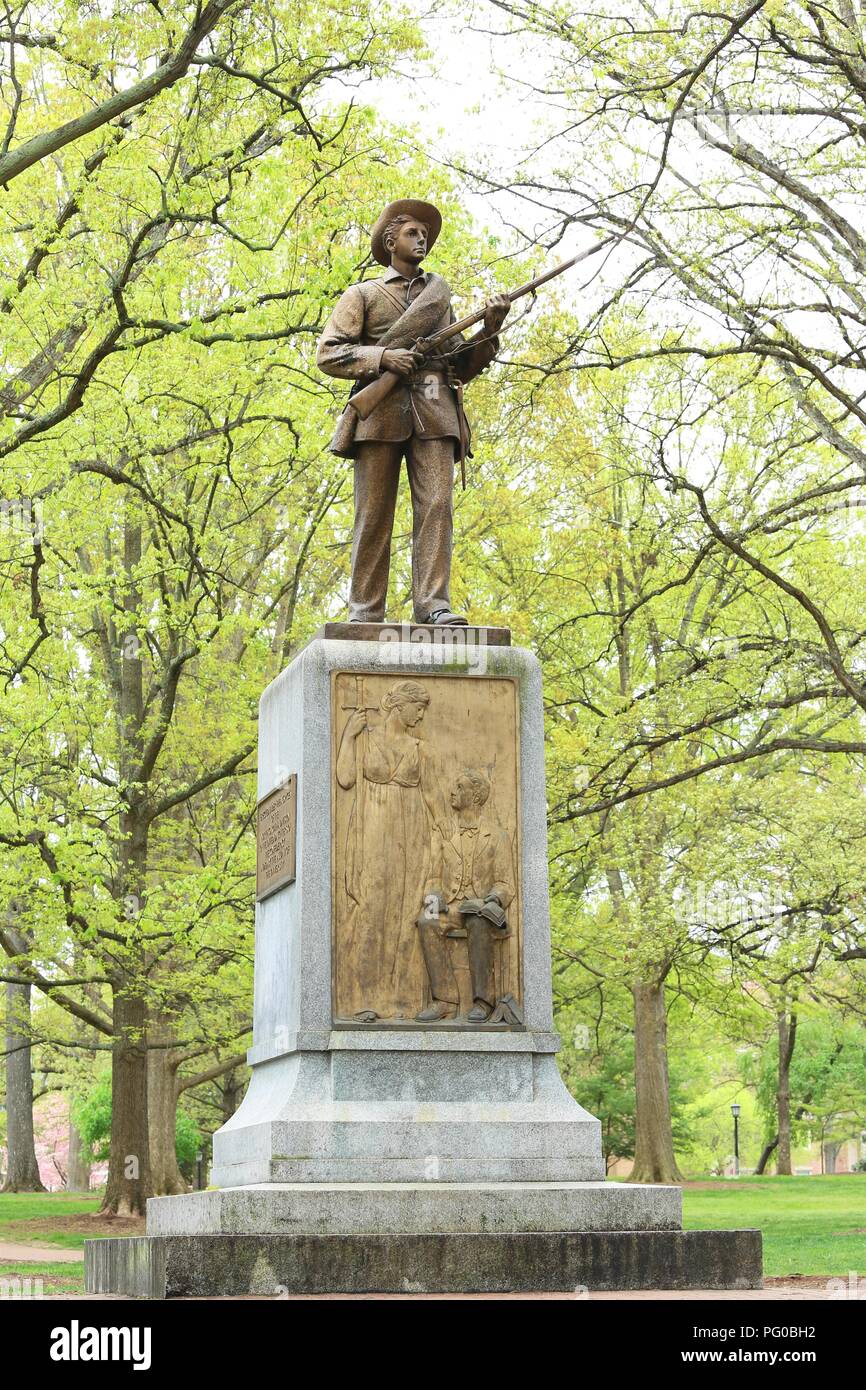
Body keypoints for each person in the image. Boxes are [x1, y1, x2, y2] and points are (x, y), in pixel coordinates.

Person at [316, 198, 510, 626]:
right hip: (381, 411)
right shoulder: (362, 294)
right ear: (391, 241)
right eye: (412, 233)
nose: (421, 238)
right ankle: (365, 612)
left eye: (425, 234)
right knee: (373, 514)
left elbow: (461, 362)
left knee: (438, 507)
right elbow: (329, 354)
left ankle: (434, 606)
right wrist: (383, 358)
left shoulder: (439, 299)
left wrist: (490, 329)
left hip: (436, 409)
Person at [335, 679, 447, 1020]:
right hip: (372, 829)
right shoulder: (366, 739)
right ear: (399, 706)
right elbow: (344, 779)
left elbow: (434, 800)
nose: (423, 714)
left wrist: (446, 839)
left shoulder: (421, 750)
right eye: (418, 707)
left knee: (404, 913)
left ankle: (404, 1000)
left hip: (413, 835)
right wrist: (348, 737)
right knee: (372, 910)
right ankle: (365, 997)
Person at [415, 767, 515, 1022]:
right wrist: (433, 897)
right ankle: (445, 1000)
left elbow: (505, 883)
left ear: (476, 795)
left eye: (460, 788)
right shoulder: (444, 833)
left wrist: (492, 900)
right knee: (426, 920)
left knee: (479, 923)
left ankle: (483, 1002)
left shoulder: (498, 836)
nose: (452, 792)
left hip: (481, 907)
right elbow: (432, 875)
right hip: (450, 904)